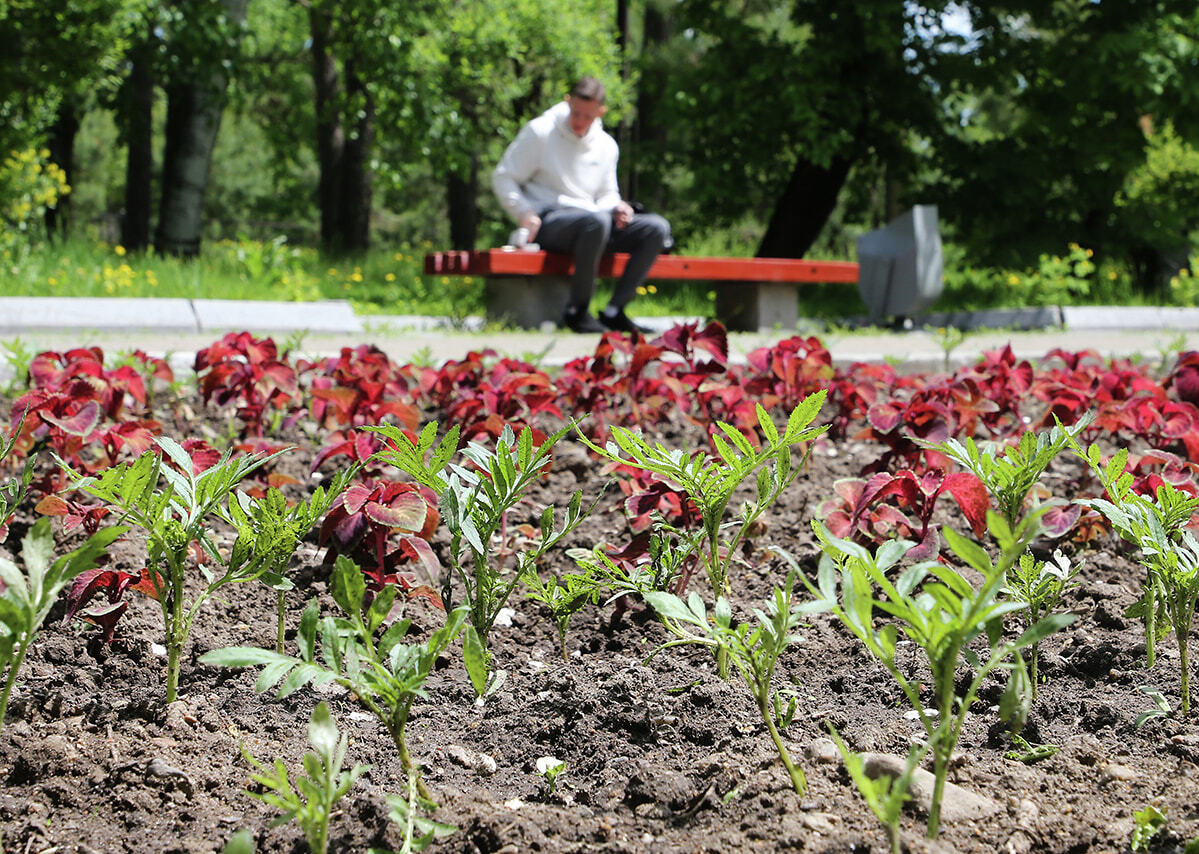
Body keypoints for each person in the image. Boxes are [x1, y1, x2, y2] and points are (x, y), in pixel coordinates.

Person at [492, 76, 672, 334]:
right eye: (575, 113)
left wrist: (618, 207)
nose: (579, 122)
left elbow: (607, 193)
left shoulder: (606, 145)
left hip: (594, 222)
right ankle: (578, 311)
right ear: (568, 101)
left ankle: (614, 311)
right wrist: (524, 212)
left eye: (587, 116)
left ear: (601, 112)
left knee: (656, 228)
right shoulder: (540, 132)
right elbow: (503, 176)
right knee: (596, 222)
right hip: (550, 221)